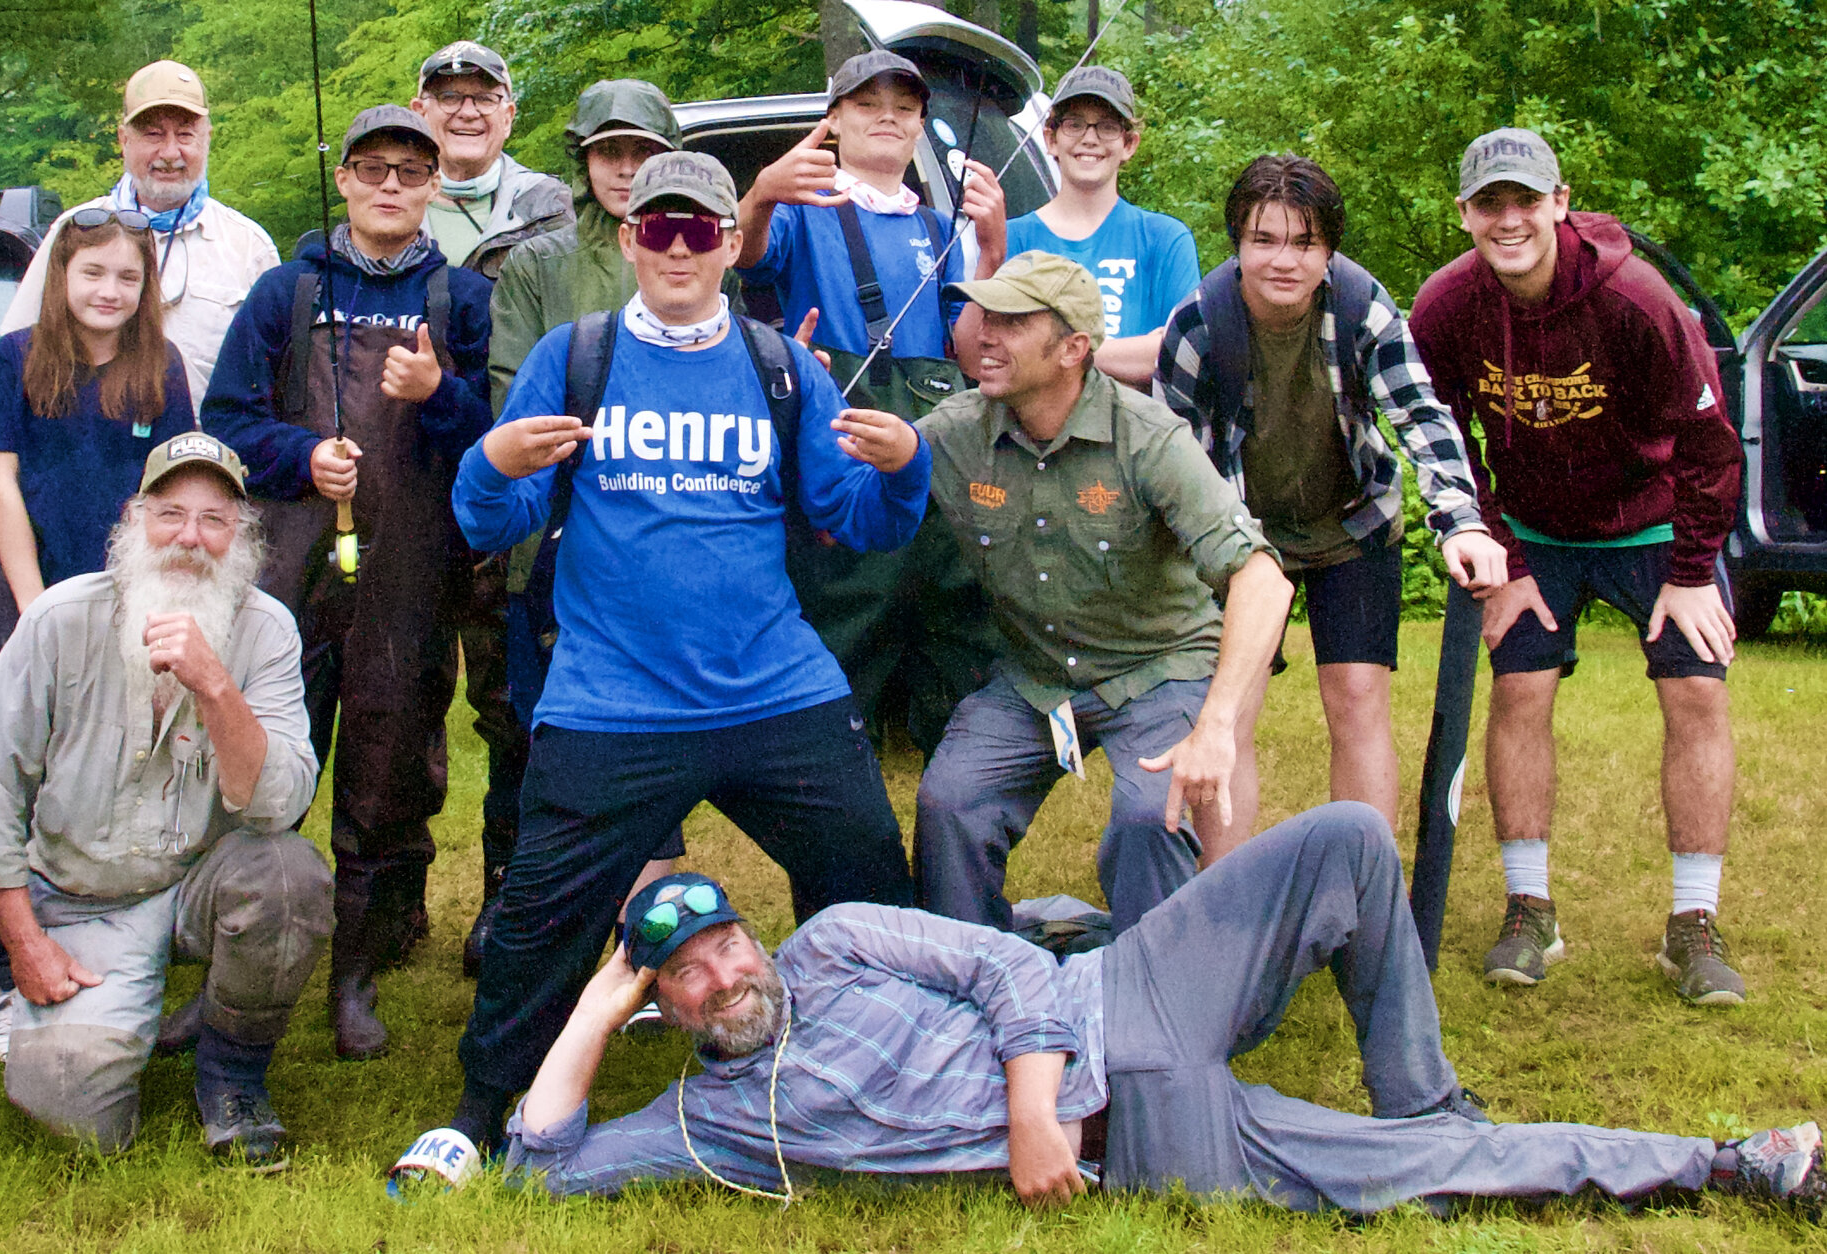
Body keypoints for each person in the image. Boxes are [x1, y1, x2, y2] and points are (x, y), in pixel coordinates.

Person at [481, 805, 1827, 1216]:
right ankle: (1734, 1159)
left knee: (1352, 839)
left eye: (720, 944)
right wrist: (599, 1009)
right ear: (668, 1004)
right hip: (1148, 1135)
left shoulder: (834, 940)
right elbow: (541, 1169)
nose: (719, 976)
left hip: (1122, 991)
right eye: (685, 977)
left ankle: (1424, 1086)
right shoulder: (717, 1117)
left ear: (752, 931)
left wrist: (1024, 1117)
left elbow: (1010, 970)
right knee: (1425, 1183)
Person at [413, 150, 923, 1162]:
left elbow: (852, 519)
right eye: (659, 228)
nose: (680, 247)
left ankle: (869, 1063)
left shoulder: (782, 367)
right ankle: (483, 1107)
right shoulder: (578, 355)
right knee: (536, 920)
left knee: (867, 872)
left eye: (701, 229)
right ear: (628, 240)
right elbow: (496, 515)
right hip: (614, 701)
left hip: (775, 688)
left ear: (733, 243)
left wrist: (905, 470)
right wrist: (486, 461)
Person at [1409, 128, 1746, 1004]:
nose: (1509, 219)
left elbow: (1711, 444)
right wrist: (1505, 556)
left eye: (1527, 200)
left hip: (1656, 525)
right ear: (1466, 215)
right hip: (1534, 530)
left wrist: (1690, 570)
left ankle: (1693, 925)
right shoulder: (1445, 308)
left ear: (1561, 202)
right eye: (1491, 204)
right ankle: (1530, 909)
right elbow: (1440, 443)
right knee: (1521, 689)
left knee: (1697, 689)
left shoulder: (1637, 300)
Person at [0, 434, 329, 1168]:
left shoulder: (268, 630)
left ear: (241, 536)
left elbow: (281, 801)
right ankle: (137, 1013)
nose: (190, 538)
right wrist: (25, 945)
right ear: (133, 520)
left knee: (288, 873)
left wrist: (216, 685)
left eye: (215, 520)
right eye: (171, 514)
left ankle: (231, 1072)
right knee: (75, 1112)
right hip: (83, 899)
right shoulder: (59, 621)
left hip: (200, 883)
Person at [202, 104, 492, 1062]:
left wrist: (435, 395)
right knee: (266, 764)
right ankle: (232, 961)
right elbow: (225, 420)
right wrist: (297, 454)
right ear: (345, 180)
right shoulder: (284, 291)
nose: (391, 186)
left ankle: (355, 975)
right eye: (372, 168)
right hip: (289, 570)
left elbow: (490, 438)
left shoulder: (463, 299)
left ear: (434, 186)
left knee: (386, 765)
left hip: (409, 574)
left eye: (411, 172)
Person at [912, 252, 1288, 933]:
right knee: (949, 801)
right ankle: (968, 978)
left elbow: (1261, 578)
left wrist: (1216, 727)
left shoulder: (1148, 439)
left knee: (1152, 815)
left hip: (1157, 669)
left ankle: (1150, 994)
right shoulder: (952, 433)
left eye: (1011, 322)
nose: (982, 334)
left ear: (1073, 349)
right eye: (982, 316)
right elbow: (848, 491)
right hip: (1035, 679)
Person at [1153, 155, 1509, 850]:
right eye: (1264, 240)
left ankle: (1361, 900)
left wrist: (1460, 519)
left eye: (1304, 243)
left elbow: (1420, 416)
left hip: (1353, 526)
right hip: (1242, 541)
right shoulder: (1197, 325)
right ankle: (1221, 900)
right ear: (1237, 244)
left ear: (1330, 249)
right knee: (1230, 711)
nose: (1283, 260)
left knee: (1357, 702)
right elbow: (1175, 469)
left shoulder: (1363, 307)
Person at [0, 206, 200, 1063]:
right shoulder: (17, 359)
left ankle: (126, 938)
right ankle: (5, 975)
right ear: (62, 278)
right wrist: (33, 614)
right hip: (28, 599)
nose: (109, 291)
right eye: (93, 273)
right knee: (16, 780)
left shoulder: (161, 368)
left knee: (116, 767)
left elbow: (169, 500)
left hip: (130, 605)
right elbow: (3, 488)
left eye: (127, 278)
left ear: (146, 291)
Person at [464, 77, 683, 984]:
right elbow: (513, 397)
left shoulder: (702, 250)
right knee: (530, 737)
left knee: (655, 748)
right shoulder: (536, 263)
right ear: (581, 158)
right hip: (552, 545)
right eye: (608, 152)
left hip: (663, 545)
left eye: (642, 152)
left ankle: (649, 933)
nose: (625, 169)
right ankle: (516, 908)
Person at [736, 49, 1009, 754]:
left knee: (944, 575)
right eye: (865, 104)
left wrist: (991, 247)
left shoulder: (936, 227)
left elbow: (972, 351)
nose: (886, 116)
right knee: (846, 583)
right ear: (833, 121)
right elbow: (740, 253)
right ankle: (830, 730)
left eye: (904, 107)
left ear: (921, 127)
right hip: (843, 414)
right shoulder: (802, 206)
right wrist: (763, 191)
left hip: (931, 421)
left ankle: (956, 728)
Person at [2, 59, 278, 405]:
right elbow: (15, 356)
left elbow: (276, 381)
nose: (170, 152)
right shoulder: (71, 231)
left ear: (207, 139)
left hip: (207, 452)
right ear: (123, 140)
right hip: (87, 447)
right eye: (153, 134)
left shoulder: (249, 248)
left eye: (186, 134)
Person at [1003, 66, 1200, 389]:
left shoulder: (1165, 239)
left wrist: (1055, 353)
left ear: (1130, 144)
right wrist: (1128, 354)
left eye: (1107, 126)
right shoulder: (1014, 238)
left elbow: (1177, 351)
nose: (1090, 138)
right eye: (1074, 124)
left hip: (1136, 435)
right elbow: (1006, 354)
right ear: (1050, 139)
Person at [410, 40, 574, 279]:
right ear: (420, 113)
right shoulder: (383, 206)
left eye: (485, 99)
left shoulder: (552, 209)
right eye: (449, 97)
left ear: (508, 118)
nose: (467, 112)